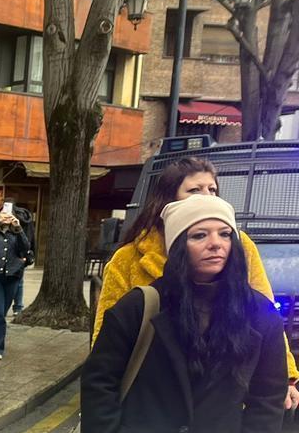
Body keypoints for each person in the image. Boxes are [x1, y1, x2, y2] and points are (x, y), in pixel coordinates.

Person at [81, 194, 287, 433]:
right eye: (199, 235)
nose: (215, 244)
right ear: (178, 246)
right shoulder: (140, 307)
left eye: (225, 234)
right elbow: (99, 380)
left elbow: (269, 392)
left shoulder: (259, 313)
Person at [93, 156, 299, 409]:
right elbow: (107, 336)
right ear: (168, 199)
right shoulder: (130, 257)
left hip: (222, 392)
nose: (207, 197)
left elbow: (265, 317)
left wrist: (285, 376)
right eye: (195, 190)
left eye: (212, 189)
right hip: (153, 394)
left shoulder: (240, 246)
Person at [0, 205, 30, 360]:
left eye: (9, 214)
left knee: (1, 313)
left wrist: (18, 228)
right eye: (3, 213)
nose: (6, 216)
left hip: (12, 276)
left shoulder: (17, 233)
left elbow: (26, 247)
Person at [7, 199, 35, 314]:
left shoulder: (7, 217)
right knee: (19, 281)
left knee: (16, 281)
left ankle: (16, 306)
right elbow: (31, 236)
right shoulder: (27, 218)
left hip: (13, 253)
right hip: (21, 253)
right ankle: (18, 307)